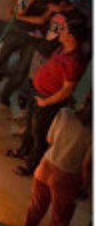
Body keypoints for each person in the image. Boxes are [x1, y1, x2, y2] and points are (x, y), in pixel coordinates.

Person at [14, 16, 87, 177]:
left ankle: (31, 165)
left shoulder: (73, 61)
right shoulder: (62, 48)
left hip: (47, 100)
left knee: (39, 134)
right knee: (29, 126)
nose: (60, 32)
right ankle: (23, 151)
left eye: (65, 30)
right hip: (38, 93)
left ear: (71, 37)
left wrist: (46, 102)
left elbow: (67, 90)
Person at [22, 98, 91, 226]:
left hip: (45, 166)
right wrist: (85, 186)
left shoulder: (64, 114)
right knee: (58, 221)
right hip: (67, 177)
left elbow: (49, 139)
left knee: (35, 209)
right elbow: (87, 164)